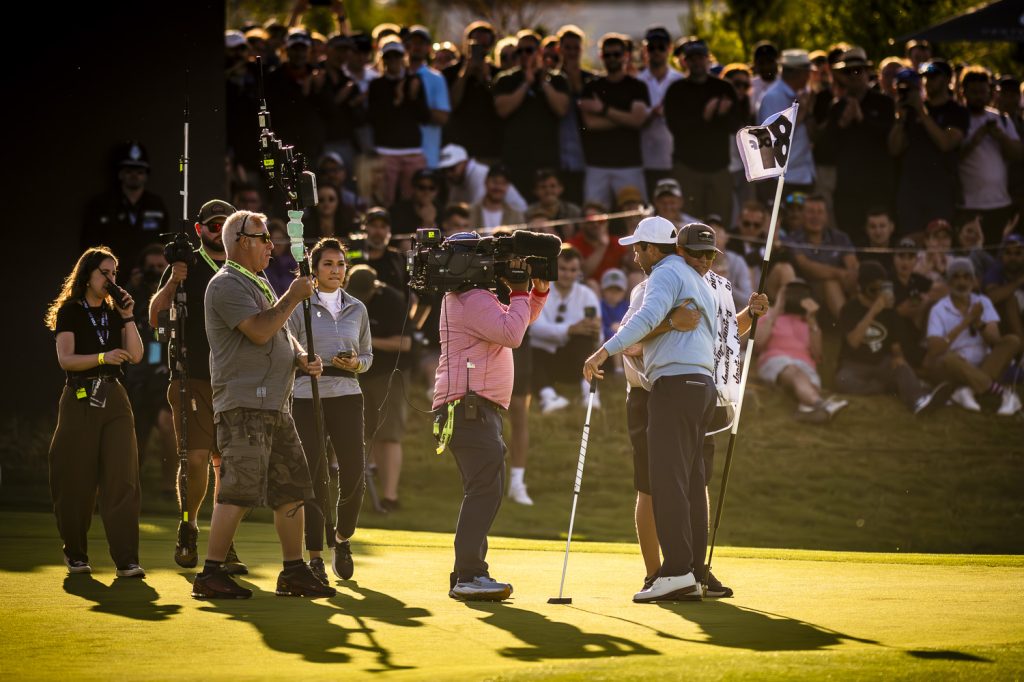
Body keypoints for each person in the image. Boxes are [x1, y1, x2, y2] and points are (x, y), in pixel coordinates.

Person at [191, 210, 334, 599]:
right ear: (241, 241)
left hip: (275, 403)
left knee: (292, 488)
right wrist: (292, 295)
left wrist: (303, 356)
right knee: (237, 489)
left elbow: (281, 333)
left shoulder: (260, 283)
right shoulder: (225, 285)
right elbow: (257, 331)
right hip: (244, 404)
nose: (272, 245)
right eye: (263, 238)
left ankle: (293, 571)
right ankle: (210, 574)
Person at [583, 216, 718, 602]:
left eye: (639, 247)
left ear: (654, 249)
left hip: (675, 385)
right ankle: (691, 570)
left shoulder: (665, 272)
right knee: (691, 481)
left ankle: (675, 571)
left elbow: (645, 319)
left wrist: (601, 352)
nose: (635, 253)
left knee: (668, 481)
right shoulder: (694, 277)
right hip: (699, 385)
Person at [432, 232, 549, 601]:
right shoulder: (472, 298)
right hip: (470, 407)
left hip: (473, 407)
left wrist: (534, 295)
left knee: (485, 490)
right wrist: (518, 292)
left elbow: (517, 322)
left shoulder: (466, 297)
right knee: (484, 490)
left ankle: (467, 573)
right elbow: (512, 334)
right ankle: (469, 574)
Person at [149, 200, 246, 572]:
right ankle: (188, 527)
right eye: (212, 224)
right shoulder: (185, 266)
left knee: (228, 466)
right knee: (195, 460)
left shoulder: (244, 268)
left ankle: (224, 542)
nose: (217, 230)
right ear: (200, 229)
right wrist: (175, 277)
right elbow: (155, 315)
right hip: (193, 376)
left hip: (234, 380)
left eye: (225, 225)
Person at [46, 247, 145, 577]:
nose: (111, 279)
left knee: (123, 477)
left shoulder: (114, 312)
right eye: (105, 272)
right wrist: (103, 357)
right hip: (80, 394)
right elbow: (66, 359)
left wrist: (129, 317)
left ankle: (127, 559)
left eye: (114, 273)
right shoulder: (71, 312)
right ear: (87, 274)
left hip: (114, 396)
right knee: (74, 477)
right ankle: (75, 551)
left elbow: (136, 354)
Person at [288, 239, 371, 585]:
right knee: (314, 475)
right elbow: (286, 348)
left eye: (340, 264)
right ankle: (315, 556)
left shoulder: (357, 308)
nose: (336, 270)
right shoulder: (299, 306)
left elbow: (367, 356)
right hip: (307, 395)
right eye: (328, 264)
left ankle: (342, 538)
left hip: (348, 393)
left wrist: (356, 363)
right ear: (314, 269)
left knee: (354, 474)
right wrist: (301, 361)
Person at [835, 261, 950, 414]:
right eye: (873, 290)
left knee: (901, 367)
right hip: (854, 364)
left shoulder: (888, 310)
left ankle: (918, 400)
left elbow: (894, 341)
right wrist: (873, 312)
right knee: (843, 382)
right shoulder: (850, 309)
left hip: (880, 362)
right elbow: (853, 342)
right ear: (861, 288)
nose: (878, 294)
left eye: (881, 289)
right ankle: (888, 387)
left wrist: (898, 357)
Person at [347, 265, 411, 513]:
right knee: (361, 433)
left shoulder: (392, 301)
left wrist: (366, 343)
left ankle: (390, 497)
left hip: (388, 374)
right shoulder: (347, 299)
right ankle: (356, 495)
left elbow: (404, 343)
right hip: (358, 373)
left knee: (388, 435)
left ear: (375, 288)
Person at [924, 258, 1021, 416]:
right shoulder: (939, 309)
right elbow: (935, 349)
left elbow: (995, 340)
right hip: (954, 366)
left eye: (966, 277)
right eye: (956, 277)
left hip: (983, 363)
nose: (961, 282)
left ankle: (968, 390)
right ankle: (1003, 393)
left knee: (1012, 341)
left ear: (973, 280)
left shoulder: (983, 302)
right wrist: (966, 321)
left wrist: (978, 323)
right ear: (948, 282)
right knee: (948, 358)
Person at [663, 38, 741, 229]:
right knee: (689, 225)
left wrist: (720, 116)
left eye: (701, 58)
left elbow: (735, 125)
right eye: (692, 59)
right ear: (685, 62)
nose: (697, 63)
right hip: (688, 168)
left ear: (708, 60)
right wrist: (706, 117)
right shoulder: (676, 90)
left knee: (719, 223)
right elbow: (676, 128)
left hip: (719, 168)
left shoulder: (724, 88)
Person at [824, 47, 895, 246]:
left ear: (866, 72)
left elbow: (890, 138)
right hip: (848, 187)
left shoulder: (884, 103)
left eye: (858, 71)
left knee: (880, 237)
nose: (854, 76)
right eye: (848, 72)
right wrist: (842, 124)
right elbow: (826, 148)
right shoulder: (837, 107)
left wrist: (862, 120)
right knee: (851, 237)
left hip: (877, 185)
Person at [888, 61, 967, 237]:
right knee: (912, 242)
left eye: (933, 76)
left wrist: (922, 113)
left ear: (947, 79)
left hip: (940, 191)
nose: (927, 81)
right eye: (924, 77)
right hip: (911, 190)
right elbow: (895, 149)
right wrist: (901, 118)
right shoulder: (911, 109)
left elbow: (945, 142)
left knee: (938, 242)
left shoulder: (955, 112)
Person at [493, 30, 570, 200]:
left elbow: (561, 109)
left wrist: (542, 81)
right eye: (519, 51)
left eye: (529, 50)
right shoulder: (505, 79)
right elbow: (502, 110)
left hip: (546, 159)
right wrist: (525, 84)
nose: (523, 55)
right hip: (515, 160)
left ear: (540, 52)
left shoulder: (557, 79)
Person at [754, 280, 844, 422]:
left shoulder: (809, 321)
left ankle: (806, 410)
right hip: (776, 360)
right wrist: (776, 310)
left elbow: (817, 354)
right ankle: (821, 404)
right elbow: (758, 343)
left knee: (802, 376)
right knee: (794, 371)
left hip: (805, 364)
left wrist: (812, 320)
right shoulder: (768, 315)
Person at [578, 33, 650, 207]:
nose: (612, 58)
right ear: (601, 56)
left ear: (625, 56)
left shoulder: (637, 86)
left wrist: (602, 110)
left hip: (629, 164)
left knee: (635, 217)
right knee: (593, 216)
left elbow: (638, 121)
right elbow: (590, 123)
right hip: (597, 165)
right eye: (607, 54)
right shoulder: (591, 86)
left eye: (616, 54)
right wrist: (625, 119)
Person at [530, 245, 603, 411]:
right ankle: (548, 397)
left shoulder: (587, 295)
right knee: (529, 346)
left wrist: (595, 332)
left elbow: (598, 340)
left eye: (572, 270)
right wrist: (570, 329)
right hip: (543, 359)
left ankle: (590, 394)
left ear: (579, 272)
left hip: (574, 362)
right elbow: (534, 328)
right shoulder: (540, 291)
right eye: (563, 269)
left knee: (585, 339)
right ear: (554, 267)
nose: (567, 274)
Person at [81, 142, 169, 279]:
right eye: (129, 171)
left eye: (139, 172)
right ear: (120, 174)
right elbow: (90, 247)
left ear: (146, 175)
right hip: (111, 278)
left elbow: (164, 245)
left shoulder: (156, 205)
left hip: (148, 280)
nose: (134, 175)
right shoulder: (101, 205)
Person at [957, 66, 1024, 246]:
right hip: (968, 205)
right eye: (974, 92)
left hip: (1000, 204)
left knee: (995, 254)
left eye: (982, 91)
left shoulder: (1002, 119)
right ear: (963, 92)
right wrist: (975, 138)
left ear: (990, 93)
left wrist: (1000, 137)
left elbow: (1018, 153)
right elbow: (951, 155)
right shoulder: (956, 119)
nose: (978, 96)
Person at [367, 39, 430, 204]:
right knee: (385, 199)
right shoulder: (376, 85)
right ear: (383, 60)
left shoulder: (415, 81)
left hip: (412, 150)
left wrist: (413, 97)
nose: (393, 61)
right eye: (389, 57)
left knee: (412, 200)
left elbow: (424, 116)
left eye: (397, 56)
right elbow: (375, 118)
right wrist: (397, 99)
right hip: (386, 151)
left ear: (403, 58)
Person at [786, 194, 859, 318]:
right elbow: (806, 266)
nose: (815, 217)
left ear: (826, 216)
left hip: (842, 286)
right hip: (807, 290)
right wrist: (840, 274)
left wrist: (851, 276)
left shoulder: (840, 238)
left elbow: (853, 265)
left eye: (820, 212)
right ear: (803, 215)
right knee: (830, 283)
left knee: (857, 279)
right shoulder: (793, 239)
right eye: (810, 212)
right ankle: (849, 326)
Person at [637, 26, 682, 192]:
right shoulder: (638, 80)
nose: (656, 52)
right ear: (645, 50)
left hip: (674, 157)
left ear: (669, 49)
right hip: (645, 158)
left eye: (661, 47)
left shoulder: (679, 80)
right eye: (651, 47)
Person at [439, 144, 528, 212]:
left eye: (452, 168)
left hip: (516, 218)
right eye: (444, 170)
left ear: (465, 162)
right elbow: (451, 207)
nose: (448, 174)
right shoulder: (457, 179)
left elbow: (477, 211)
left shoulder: (480, 173)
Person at [982, 233, 1024, 339]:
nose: (1013, 257)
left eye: (1018, 253)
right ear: (1002, 255)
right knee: (1009, 298)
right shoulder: (996, 270)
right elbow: (991, 297)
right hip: (1005, 326)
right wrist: (1019, 282)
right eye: (1008, 253)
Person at [469, 164, 525, 229]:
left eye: (503, 183)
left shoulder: (516, 216)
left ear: (508, 186)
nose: (498, 187)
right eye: (495, 182)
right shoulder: (470, 213)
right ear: (486, 182)